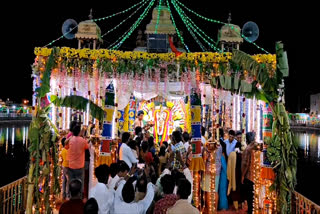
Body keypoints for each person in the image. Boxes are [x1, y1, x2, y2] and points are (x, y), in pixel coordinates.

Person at [66, 124, 89, 196]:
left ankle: (70, 195)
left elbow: (66, 147)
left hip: (71, 165)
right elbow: (87, 147)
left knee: (70, 181)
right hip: (79, 165)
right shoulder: (83, 141)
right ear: (79, 132)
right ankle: (80, 196)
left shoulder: (70, 140)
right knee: (80, 182)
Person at [241, 132, 256, 214]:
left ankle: (250, 211)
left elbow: (245, 164)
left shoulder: (248, 149)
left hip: (249, 176)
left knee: (249, 196)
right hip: (256, 175)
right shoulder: (256, 147)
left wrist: (242, 175)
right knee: (254, 197)